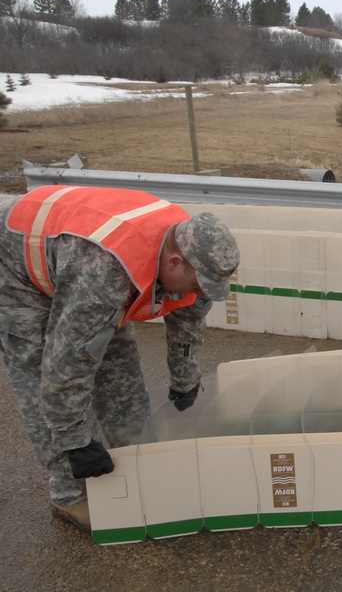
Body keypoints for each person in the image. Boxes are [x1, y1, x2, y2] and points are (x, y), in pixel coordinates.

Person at [0, 185, 240, 533]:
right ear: (174, 262)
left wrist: (184, 384)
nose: (201, 292)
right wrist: (77, 442)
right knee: (45, 372)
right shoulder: (106, 274)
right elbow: (67, 364)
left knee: (121, 377)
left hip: (82, 262)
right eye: (198, 284)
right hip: (15, 270)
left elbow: (188, 319)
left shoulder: (195, 253)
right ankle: (69, 493)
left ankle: (132, 461)